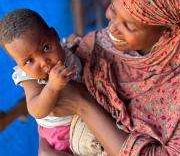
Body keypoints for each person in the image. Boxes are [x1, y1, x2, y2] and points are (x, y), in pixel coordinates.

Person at [41, 0, 180, 156]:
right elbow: (52, 103)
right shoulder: (97, 44)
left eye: (129, 26)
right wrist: (45, 145)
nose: (112, 28)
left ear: (167, 32)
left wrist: (84, 105)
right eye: (113, 10)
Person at [0, 9, 104, 155]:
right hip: (61, 135)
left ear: (54, 35)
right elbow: (36, 110)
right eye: (29, 61)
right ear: (19, 65)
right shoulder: (29, 78)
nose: (43, 62)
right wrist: (52, 87)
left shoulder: (66, 50)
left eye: (46, 47)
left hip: (88, 116)